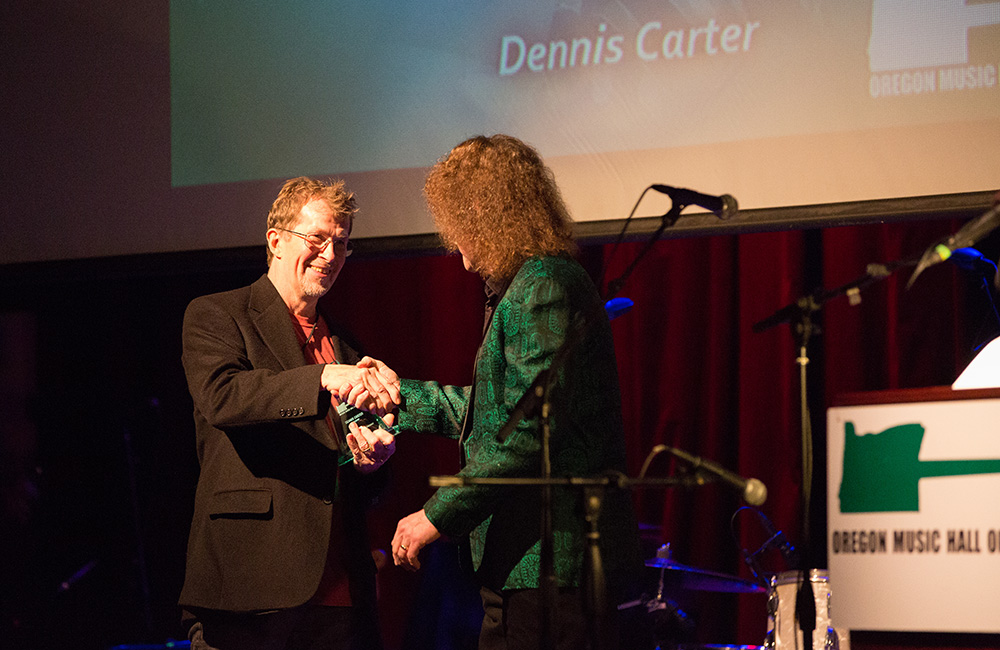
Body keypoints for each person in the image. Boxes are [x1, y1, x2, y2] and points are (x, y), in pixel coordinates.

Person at [388, 134, 641, 650]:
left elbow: (528, 432)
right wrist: (399, 397)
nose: (460, 256)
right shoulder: (533, 284)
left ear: (487, 214)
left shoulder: (543, 284)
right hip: (528, 568)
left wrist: (435, 516)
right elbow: (499, 414)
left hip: (552, 564)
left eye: (460, 232)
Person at [179, 177, 402, 650]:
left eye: (341, 244)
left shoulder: (346, 345)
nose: (330, 255)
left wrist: (374, 462)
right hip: (250, 587)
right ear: (276, 241)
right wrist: (320, 378)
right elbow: (223, 395)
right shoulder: (218, 314)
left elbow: (353, 473)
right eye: (317, 239)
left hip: (341, 594)